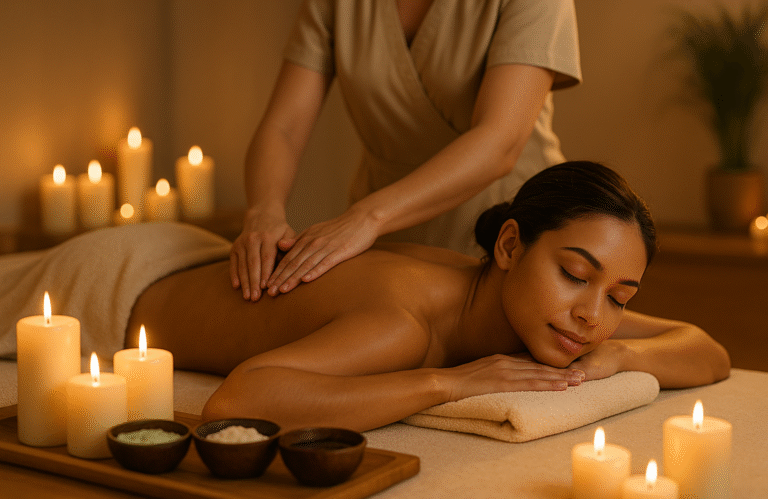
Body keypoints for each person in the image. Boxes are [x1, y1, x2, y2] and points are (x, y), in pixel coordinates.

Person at [127, 161, 730, 433]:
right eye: (574, 273)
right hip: (123, 283)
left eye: (619, 297)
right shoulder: (406, 323)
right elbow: (236, 401)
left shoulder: (558, 312)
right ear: (510, 245)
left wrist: (618, 356)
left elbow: (706, 350)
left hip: (185, 262)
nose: (594, 316)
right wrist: (451, 383)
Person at [229, 0, 582, 302]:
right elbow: (284, 127)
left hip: (512, 231)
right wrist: (263, 212)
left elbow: (499, 142)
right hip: (386, 243)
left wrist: (367, 218)